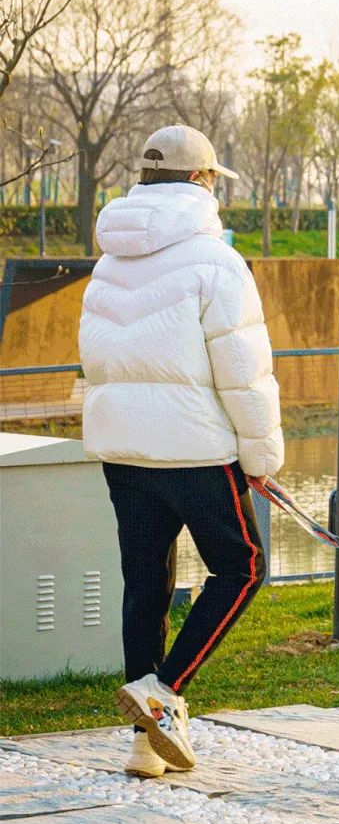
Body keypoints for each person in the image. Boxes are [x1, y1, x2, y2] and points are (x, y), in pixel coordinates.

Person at [79, 125, 284, 779]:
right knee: (244, 566)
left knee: (146, 584)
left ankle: (145, 742)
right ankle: (163, 691)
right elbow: (243, 373)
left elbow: (97, 357)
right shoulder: (216, 261)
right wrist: (261, 458)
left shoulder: (109, 261)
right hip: (196, 449)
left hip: (125, 450)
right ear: (204, 181)